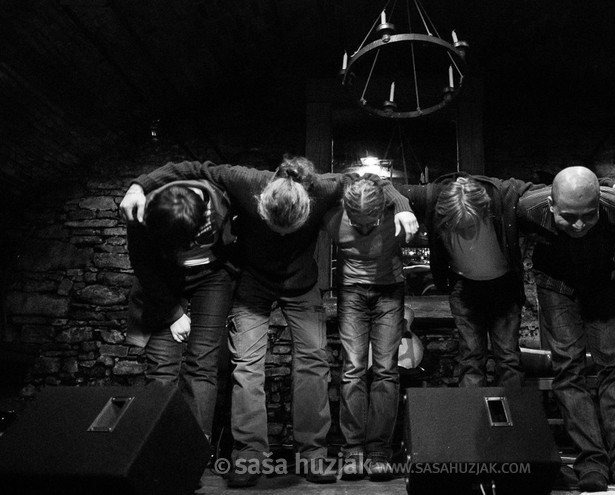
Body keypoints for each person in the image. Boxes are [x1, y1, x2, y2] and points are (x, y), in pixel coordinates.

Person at [120, 156, 418, 488]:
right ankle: (249, 455)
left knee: (314, 362)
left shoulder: (323, 187)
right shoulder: (245, 180)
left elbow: (369, 179)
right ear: (262, 206)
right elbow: (194, 168)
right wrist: (139, 185)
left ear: (307, 208)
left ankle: (312, 454)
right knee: (247, 364)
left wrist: (402, 206)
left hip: (301, 283)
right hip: (253, 283)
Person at [399, 173, 615, 390]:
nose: (465, 235)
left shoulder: (506, 196)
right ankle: (473, 424)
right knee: (470, 358)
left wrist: (612, 185)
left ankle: (512, 428)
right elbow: (378, 185)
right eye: (456, 228)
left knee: (508, 359)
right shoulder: (431, 197)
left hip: (503, 286)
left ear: (485, 210)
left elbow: (565, 189)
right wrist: (401, 206)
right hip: (464, 288)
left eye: (470, 226)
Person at [516, 166, 615, 493]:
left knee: (613, 367)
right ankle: (591, 462)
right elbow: (513, 190)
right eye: (568, 217)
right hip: (554, 284)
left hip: (602, 282)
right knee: (568, 368)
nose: (579, 225)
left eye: (588, 217)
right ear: (550, 206)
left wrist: (612, 186)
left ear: (600, 207)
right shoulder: (528, 208)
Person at [125, 180, 236, 443]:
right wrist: (173, 314)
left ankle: (193, 453)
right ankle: (158, 450)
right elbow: (143, 266)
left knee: (202, 365)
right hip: (163, 283)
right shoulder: (141, 213)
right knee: (162, 367)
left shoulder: (217, 206)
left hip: (211, 278)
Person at [322, 173, 406, 481]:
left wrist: (402, 204)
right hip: (352, 292)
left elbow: (414, 194)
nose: (367, 229)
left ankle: (379, 452)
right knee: (353, 368)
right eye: (360, 225)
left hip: (389, 291)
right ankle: (353, 450)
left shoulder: (395, 210)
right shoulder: (332, 216)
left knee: (385, 369)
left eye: (372, 222)